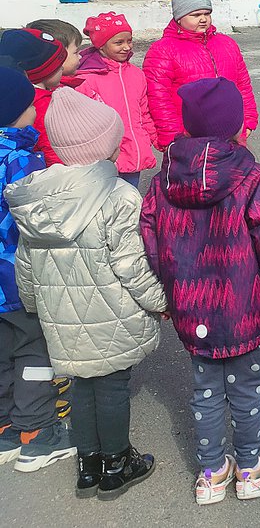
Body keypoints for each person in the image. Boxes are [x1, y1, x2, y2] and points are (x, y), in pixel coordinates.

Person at [140, 77, 260, 504]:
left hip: (192, 310)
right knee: (248, 389)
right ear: (235, 126)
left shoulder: (164, 181)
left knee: (205, 391)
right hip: (243, 308)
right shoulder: (251, 177)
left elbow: (151, 240)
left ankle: (211, 473)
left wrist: (168, 290)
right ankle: (249, 467)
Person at [5, 88, 166, 500]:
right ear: (106, 146)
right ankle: (117, 462)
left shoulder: (36, 196)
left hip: (59, 313)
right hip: (113, 312)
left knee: (80, 385)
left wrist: (34, 305)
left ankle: (87, 463)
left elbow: (24, 263)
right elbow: (133, 265)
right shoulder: (118, 196)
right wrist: (160, 301)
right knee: (112, 386)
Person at [0, 66, 62, 474]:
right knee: (34, 352)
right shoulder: (21, 160)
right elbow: (39, 224)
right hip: (16, 279)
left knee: (2, 353)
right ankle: (37, 432)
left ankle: (5, 424)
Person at [142, 0, 259, 150]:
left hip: (231, 134)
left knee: (235, 174)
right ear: (179, 18)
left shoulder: (227, 44)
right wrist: (172, 137)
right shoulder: (163, 50)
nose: (203, 19)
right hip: (189, 138)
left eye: (207, 13)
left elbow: (243, 85)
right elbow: (158, 98)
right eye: (195, 15)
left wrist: (247, 121)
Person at [74, 12, 157, 188]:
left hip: (133, 148)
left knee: (130, 201)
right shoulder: (87, 78)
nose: (126, 47)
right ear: (101, 46)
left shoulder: (136, 74)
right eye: (118, 42)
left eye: (129, 41)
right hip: (103, 154)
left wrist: (152, 137)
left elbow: (143, 111)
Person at [0, 27, 79, 166]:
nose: (62, 68)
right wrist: (62, 169)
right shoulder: (41, 104)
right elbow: (51, 145)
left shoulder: (21, 93)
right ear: (42, 71)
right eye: (57, 65)